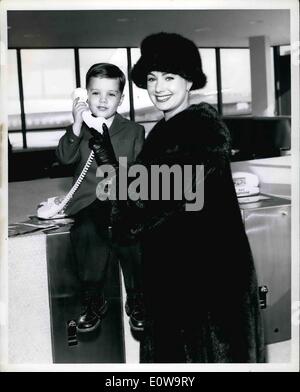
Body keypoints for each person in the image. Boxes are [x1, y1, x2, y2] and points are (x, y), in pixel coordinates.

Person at [88, 33, 265, 363]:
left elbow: (143, 206)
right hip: (177, 278)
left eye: (170, 77)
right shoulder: (165, 131)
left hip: (208, 284)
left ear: (189, 81)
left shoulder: (199, 132)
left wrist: (108, 163)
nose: (159, 87)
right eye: (152, 78)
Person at [56, 63, 145, 333]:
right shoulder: (79, 129)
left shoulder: (133, 131)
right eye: (95, 94)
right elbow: (64, 158)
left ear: (121, 98)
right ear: (85, 97)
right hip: (88, 202)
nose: (103, 100)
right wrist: (76, 124)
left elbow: (138, 173)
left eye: (111, 94)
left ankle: (138, 298)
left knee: (134, 235)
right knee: (86, 233)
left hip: (121, 200)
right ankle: (94, 298)